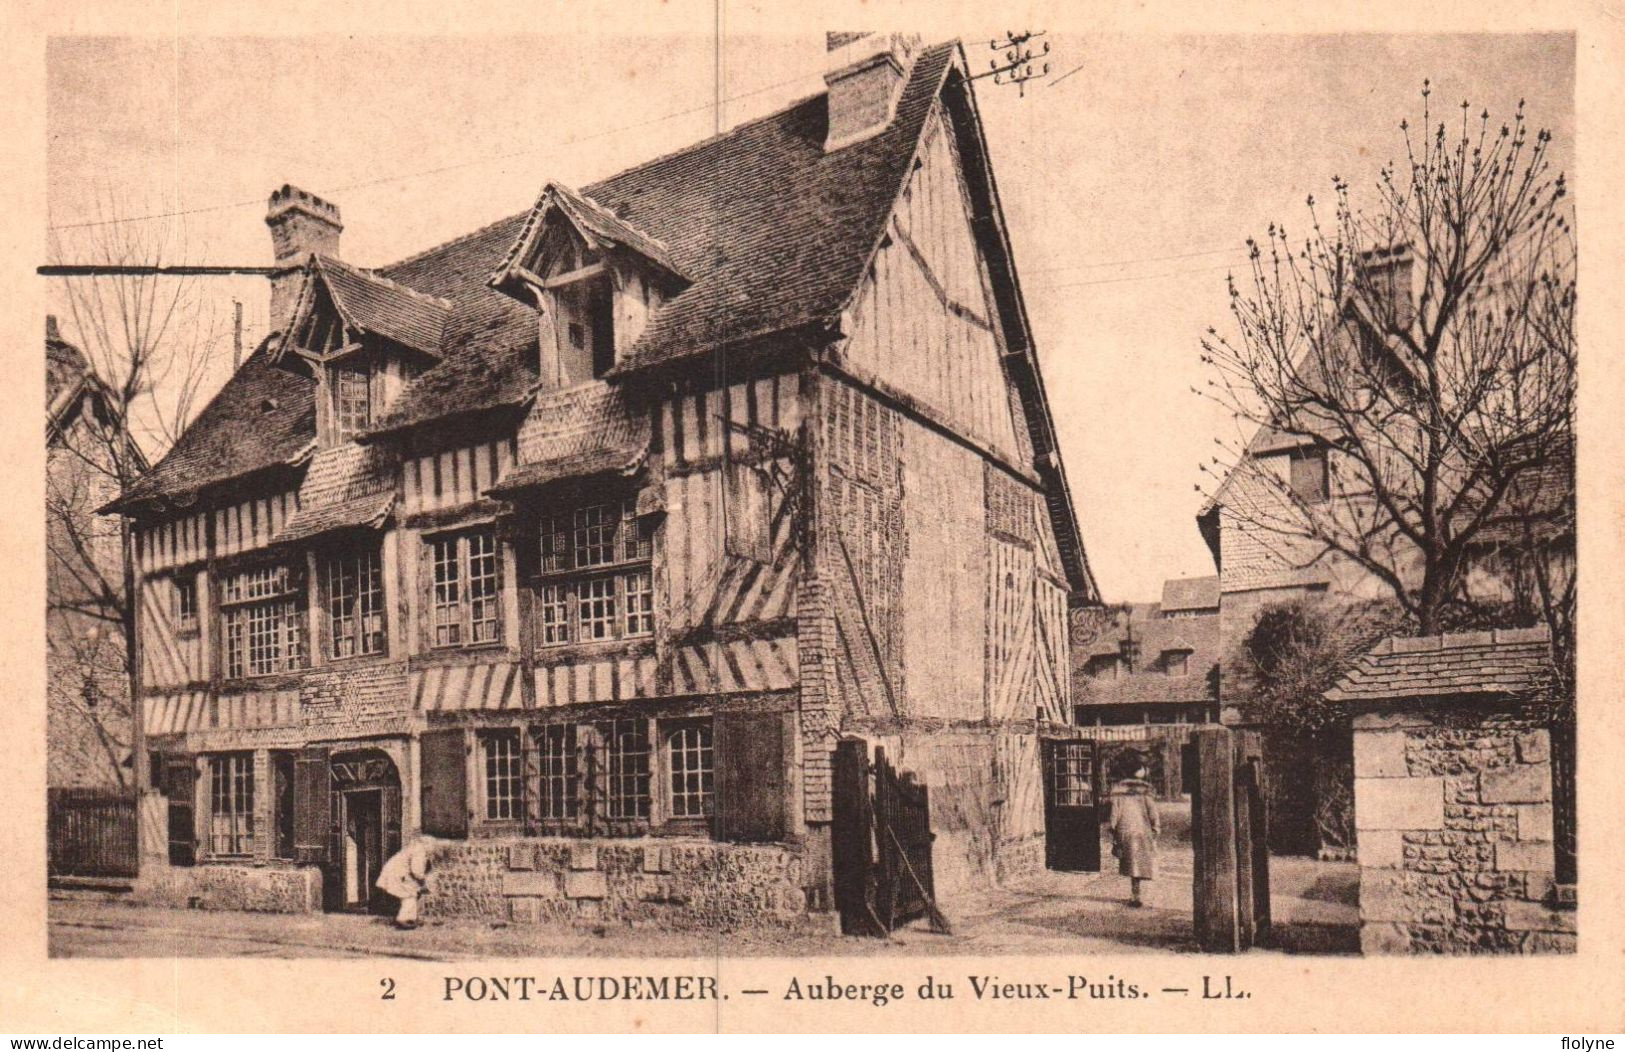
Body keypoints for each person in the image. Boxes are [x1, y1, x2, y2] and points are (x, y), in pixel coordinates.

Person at [1109, 764, 1160, 907]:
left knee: (1132, 863)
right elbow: (1153, 811)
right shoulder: (1145, 789)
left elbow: (1115, 811)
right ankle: (1136, 895)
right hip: (1142, 830)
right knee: (1139, 862)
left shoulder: (1119, 789)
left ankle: (1135, 895)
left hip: (1125, 829)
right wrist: (1156, 827)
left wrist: (1113, 828)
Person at [376, 835, 438, 929]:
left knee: (410, 894)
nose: (433, 849)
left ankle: (410, 919)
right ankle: (403, 919)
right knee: (409, 895)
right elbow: (416, 870)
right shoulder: (419, 851)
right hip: (398, 874)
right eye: (433, 846)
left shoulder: (415, 847)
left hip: (397, 872)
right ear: (427, 844)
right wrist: (422, 881)